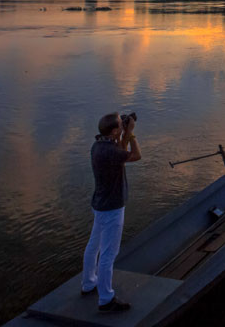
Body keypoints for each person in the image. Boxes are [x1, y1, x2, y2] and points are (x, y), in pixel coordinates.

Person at [81, 112, 141, 313]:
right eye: (120, 126)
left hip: (100, 204)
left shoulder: (98, 146)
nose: (123, 126)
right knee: (108, 253)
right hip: (112, 208)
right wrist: (131, 134)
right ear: (114, 131)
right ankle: (106, 299)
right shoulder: (110, 151)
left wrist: (123, 135)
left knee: (94, 245)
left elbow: (121, 155)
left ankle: (88, 283)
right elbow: (135, 155)